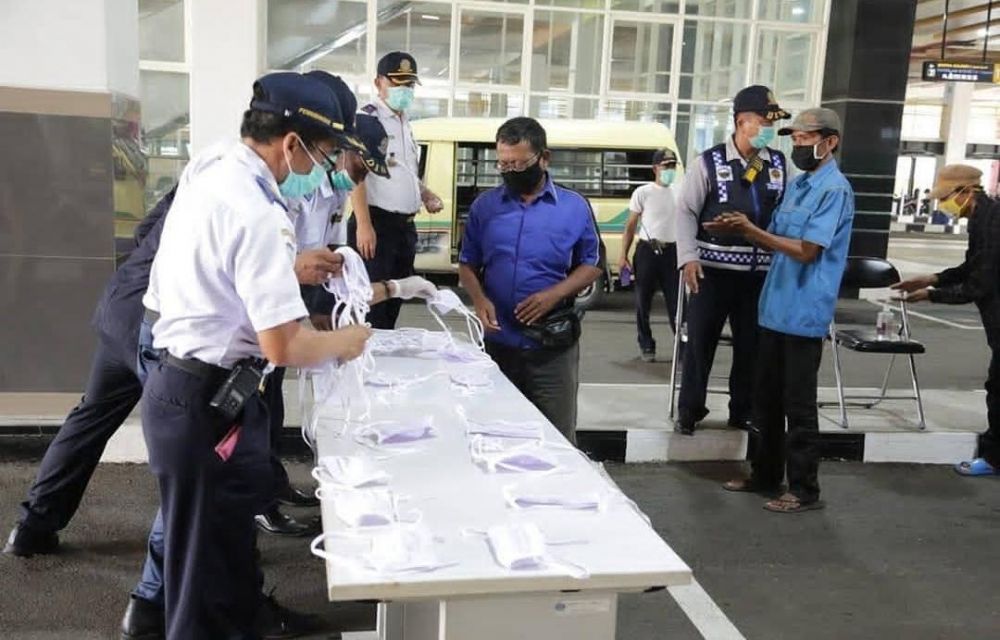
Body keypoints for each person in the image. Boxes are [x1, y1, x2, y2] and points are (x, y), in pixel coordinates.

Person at [129, 71, 436, 639]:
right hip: (205, 396)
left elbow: (215, 266)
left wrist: (290, 268)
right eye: (324, 155)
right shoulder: (259, 213)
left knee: (222, 549)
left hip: (189, 385)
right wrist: (346, 342)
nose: (326, 169)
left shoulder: (215, 165)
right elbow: (284, 344)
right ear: (291, 142)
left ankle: (249, 621)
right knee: (199, 573)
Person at [710, 108, 854, 513]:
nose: (799, 146)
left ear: (830, 142)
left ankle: (805, 489)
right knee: (765, 400)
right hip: (774, 308)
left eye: (806, 139)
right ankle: (765, 475)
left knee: (798, 404)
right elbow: (777, 238)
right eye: (795, 139)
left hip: (804, 311)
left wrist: (752, 232)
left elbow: (808, 251)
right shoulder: (800, 185)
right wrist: (735, 230)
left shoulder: (834, 190)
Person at [458, 117, 602, 444]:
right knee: (496, 435)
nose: (511, 172)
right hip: (498, 344)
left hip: (551, 346)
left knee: (556, 438)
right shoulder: (485, 207)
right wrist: (480, 300)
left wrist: (554, 295)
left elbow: (592, 264)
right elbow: (467, 264)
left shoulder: (574, 207)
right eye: (504, 164)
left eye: (520, 164)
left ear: (544, 158)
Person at [674, 85, 790, 436]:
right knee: (699, 345)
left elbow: (786, 212)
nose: (769, 129)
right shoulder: (709, 162)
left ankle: (743, 410)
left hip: (759, 276)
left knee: (751, 348)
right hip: (711, 272)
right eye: (764, 121)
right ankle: (690, 410)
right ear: (742, 121)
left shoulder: (779, 164)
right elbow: (685, 210)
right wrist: (688, 257)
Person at [892, 164, 1000, 477]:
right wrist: (933, 278)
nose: (943, 206)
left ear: (966, 192)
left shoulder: (994, 222)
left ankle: (994, 459)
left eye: (946, 198)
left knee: (998, 388)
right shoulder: (982, 218)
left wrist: (931, 295)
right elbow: (971, 267)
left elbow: (978, 284)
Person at [349, 51, 444, 329]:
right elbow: (357, 174)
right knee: (371, 302)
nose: (405, 91)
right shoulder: (368, 120)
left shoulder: (405, 124)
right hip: (378, 224)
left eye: (410, 85)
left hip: (404, 229)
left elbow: (403, 171)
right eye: (398, 83)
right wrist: (364, 225)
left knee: (395, 299)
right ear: (379, 83)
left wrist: (425, 193)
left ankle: (385, 359)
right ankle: (367, 362)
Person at [618, 148, 681, 363]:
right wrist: (623, 256)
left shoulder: (680, 192)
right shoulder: (642, 192)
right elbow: (630, 226)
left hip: (673, 252)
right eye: (666, 166)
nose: (670, 170)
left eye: (673, 166)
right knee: (643, 302)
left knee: (677, 304)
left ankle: (682, 348)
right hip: (647, 251)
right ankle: (646, 344)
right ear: (655, 168)